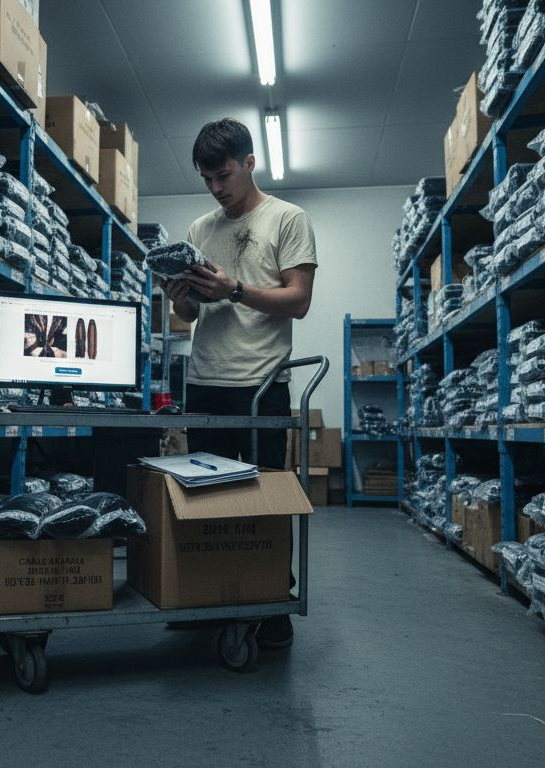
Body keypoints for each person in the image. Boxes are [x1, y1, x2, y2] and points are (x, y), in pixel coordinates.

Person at [164, 117, 317, 649]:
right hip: (204, 382)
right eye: (207, 178)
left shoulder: (288, 218)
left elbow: (298, 300)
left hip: (259, 385)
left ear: (250, 162)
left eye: (223, 174)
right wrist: (180, 295)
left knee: (263, 501)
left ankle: (273, 603)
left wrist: (233, 289)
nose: (216, 187)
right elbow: (187, 313)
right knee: (204, 500)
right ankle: (210, 595)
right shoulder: (199, 230)